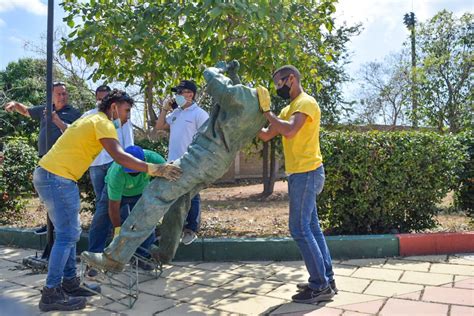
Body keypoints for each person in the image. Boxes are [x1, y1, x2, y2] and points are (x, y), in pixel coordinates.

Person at [80, 61, 269, 272]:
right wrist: (235, 76)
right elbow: (236, 95)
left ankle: (115, 257)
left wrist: (220, 68)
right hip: (217, 165)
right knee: (179, 202)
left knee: (155, 195)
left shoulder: (242, 97)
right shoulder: (258, 111)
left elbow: (211, 76)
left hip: (200, 158)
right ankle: (163, 253)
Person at [32, 89, 181, 312]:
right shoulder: (103, 122)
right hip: (57, 177)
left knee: (69, 234)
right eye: (127, 110)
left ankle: (70, 284)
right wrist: (157, 169)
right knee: (67, 235)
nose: (129, 115)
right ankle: (51, 293)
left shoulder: (91, 118)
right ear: (113, 108)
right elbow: (120, 157)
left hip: (54, 176)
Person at [258, 65, 336, 304]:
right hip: (298, 174)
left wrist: (267, 111)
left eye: (279, 83)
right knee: (311, 227)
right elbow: (266, 134)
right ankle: (326, 279)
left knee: (299, 228)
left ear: (291, 79)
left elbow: (290, 131)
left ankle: (320, 285)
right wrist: (249, 116)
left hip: (308, 172)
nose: (277, 88)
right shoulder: (287, 108)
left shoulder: (306, 102)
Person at [4, 82, 82, 235]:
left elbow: (75, 133)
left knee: (59, 194)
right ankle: (50, 224)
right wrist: (14, 104)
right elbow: (26, 111)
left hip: (62, 160)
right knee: (48, 194)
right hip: (45, 158)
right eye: (58, 94)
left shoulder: (74, 113)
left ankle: (57, 227)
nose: (62, 96)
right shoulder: (45, 109)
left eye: (64, 93)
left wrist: (58, 122)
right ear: (52, 96)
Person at [90, 145, 165, 271]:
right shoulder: (117, 173)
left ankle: (143, 257)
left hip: (140, 192)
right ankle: (95, 260)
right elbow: (114, 207)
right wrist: (118, 231)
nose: (132, 173)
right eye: (129, 171)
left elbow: (167, 174)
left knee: (146, 221)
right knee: (100, 222)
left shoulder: (154, 159)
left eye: (135, 171)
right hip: (117, 193)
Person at [85, 85, 134, 277]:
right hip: (98, 165)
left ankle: (115, 253)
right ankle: (96, 256)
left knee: (117, 208)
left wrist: (129, 165)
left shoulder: (122, 118)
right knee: (104, 207)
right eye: (127, 110)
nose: (128, 115)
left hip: (116, 165)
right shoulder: (92, 117)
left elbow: (128, 144)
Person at [155, 80, 209, 245]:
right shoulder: (176, 113)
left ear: (190, 94)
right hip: (172, 162)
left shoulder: (199, 114)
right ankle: (173, 230)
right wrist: (164, 109)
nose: (177, 95)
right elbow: (160, 126)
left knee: (192, 195)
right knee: (173, 196)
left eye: (180, 92)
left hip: (191, 161)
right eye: (177, 92)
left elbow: (207, 137)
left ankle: (190, 230)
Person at [83, 85, 134, 204]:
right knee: (101, 199)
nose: (102, 102)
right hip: (95, 163)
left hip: (115, 162)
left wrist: (129, 163)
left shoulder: (121, 115)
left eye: (105, 98)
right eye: (100, 99)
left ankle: (119, 222)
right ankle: (105, 223)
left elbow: (128, 140)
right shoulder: (89, 115)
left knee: (117, 197)